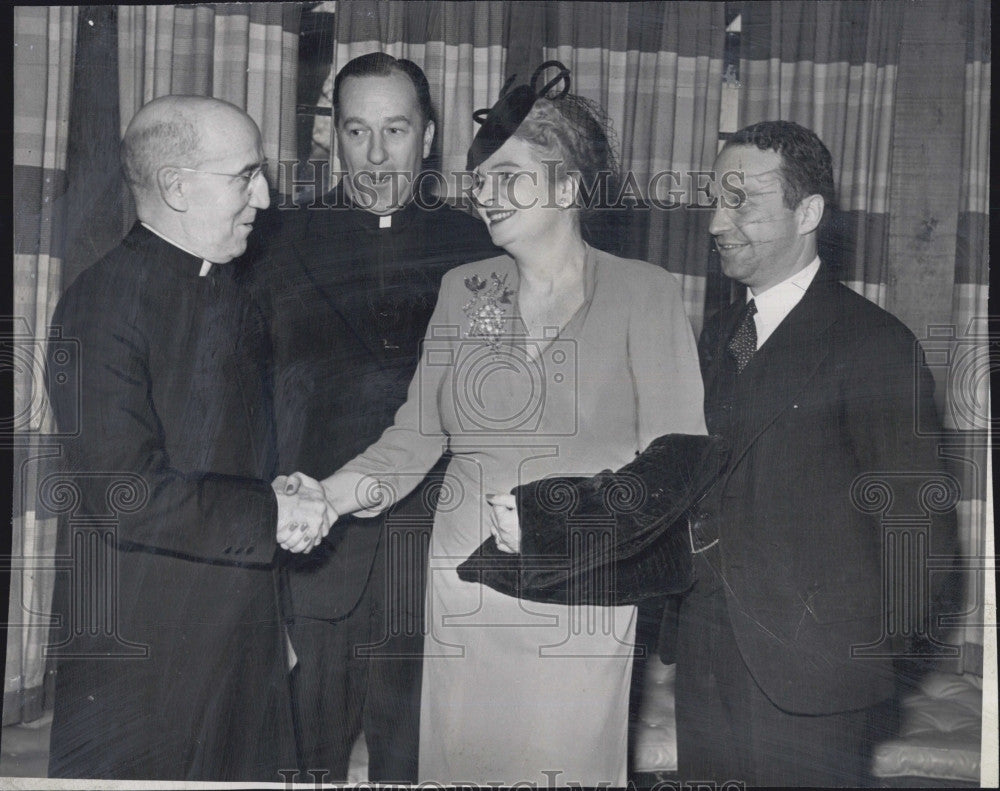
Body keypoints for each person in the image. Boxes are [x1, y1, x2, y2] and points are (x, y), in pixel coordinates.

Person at [285, 62, 706, 786]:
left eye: (507, 176)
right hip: (461, 590)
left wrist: (554, 518)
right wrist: (328, 493)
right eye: (480, 178)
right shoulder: (464, 289)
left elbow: (675, 463)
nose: (483, 193)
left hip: (579, 593)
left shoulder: (646, 292)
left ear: (568, 187)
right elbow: (415, 435)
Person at [44, 95, 332, 781]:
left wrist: (285, 485)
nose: (264, 195)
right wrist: (269, 512)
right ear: (176, 186)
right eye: (245, 175)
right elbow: (125, 492)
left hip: (243, 633)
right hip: (147, 656)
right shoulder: (101, 302)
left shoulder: (234, 292)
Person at [666, 120, 959, 786]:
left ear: (808, 213)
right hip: (706, 663)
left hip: (816, 683)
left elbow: (919, 531)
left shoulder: (875, 343)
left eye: (740, 200)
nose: (717, 221)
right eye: (716, 198)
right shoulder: (718, 334)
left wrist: (854, 662)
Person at [253, 53, 498, 782]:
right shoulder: (273, 241)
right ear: (333, 136)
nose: (376, 155)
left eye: (396, 130)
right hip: (314, 550)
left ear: (428, 137)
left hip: (433, 548)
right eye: (357, 131)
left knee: (417, 761)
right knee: (303, 759)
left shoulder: (477, 248)